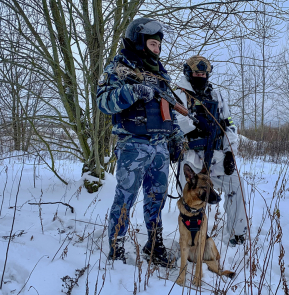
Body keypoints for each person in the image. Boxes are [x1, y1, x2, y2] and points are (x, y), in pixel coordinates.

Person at [97, 18, 185, 266]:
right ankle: (116, 247)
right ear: (138, 40)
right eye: (153, 44)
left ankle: (153, 245)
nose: (157, 49)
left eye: (159, 46)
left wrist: (176, 137)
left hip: (160, 146)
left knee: (157, 199)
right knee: (125, 198)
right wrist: (132, 92)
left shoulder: (159, 72)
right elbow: (103, 101)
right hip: (133, 143)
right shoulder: (119, 66)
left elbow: (169, 109)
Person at [174, 55, 247, 246]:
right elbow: (175, 124)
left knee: (236, 187)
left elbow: (229, 125)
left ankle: (237, 234)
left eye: (204, 73)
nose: (201, 76)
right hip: (191, 159)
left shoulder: (217, 96)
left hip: (216, 157)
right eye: (197, 73)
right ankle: (192, 240)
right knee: (191, 198)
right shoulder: (179, 94)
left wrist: (230, 152)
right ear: (188, 73)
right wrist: (196, 125)